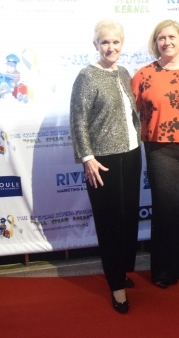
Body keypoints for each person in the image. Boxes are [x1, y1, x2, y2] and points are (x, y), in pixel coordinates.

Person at [131, 20, 179, 289]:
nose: (167, 42)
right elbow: (129, 114)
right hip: (159, 150)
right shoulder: (143, 75)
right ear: (155, 43)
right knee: (165, 211)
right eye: (161, 38)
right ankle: (163, 270)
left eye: (172, 37)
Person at [69, 19, 142, 314]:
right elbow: (78, 120)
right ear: (96, 45)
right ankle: (116, 285)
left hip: (132, 155)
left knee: (128, 220)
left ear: (122, 44)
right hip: (103, 161)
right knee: (110, 224)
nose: (111, 47)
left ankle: (121, 271)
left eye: (115, 42)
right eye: (105, 42)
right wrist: (87, 158)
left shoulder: (124, 73)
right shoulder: (87, 76)